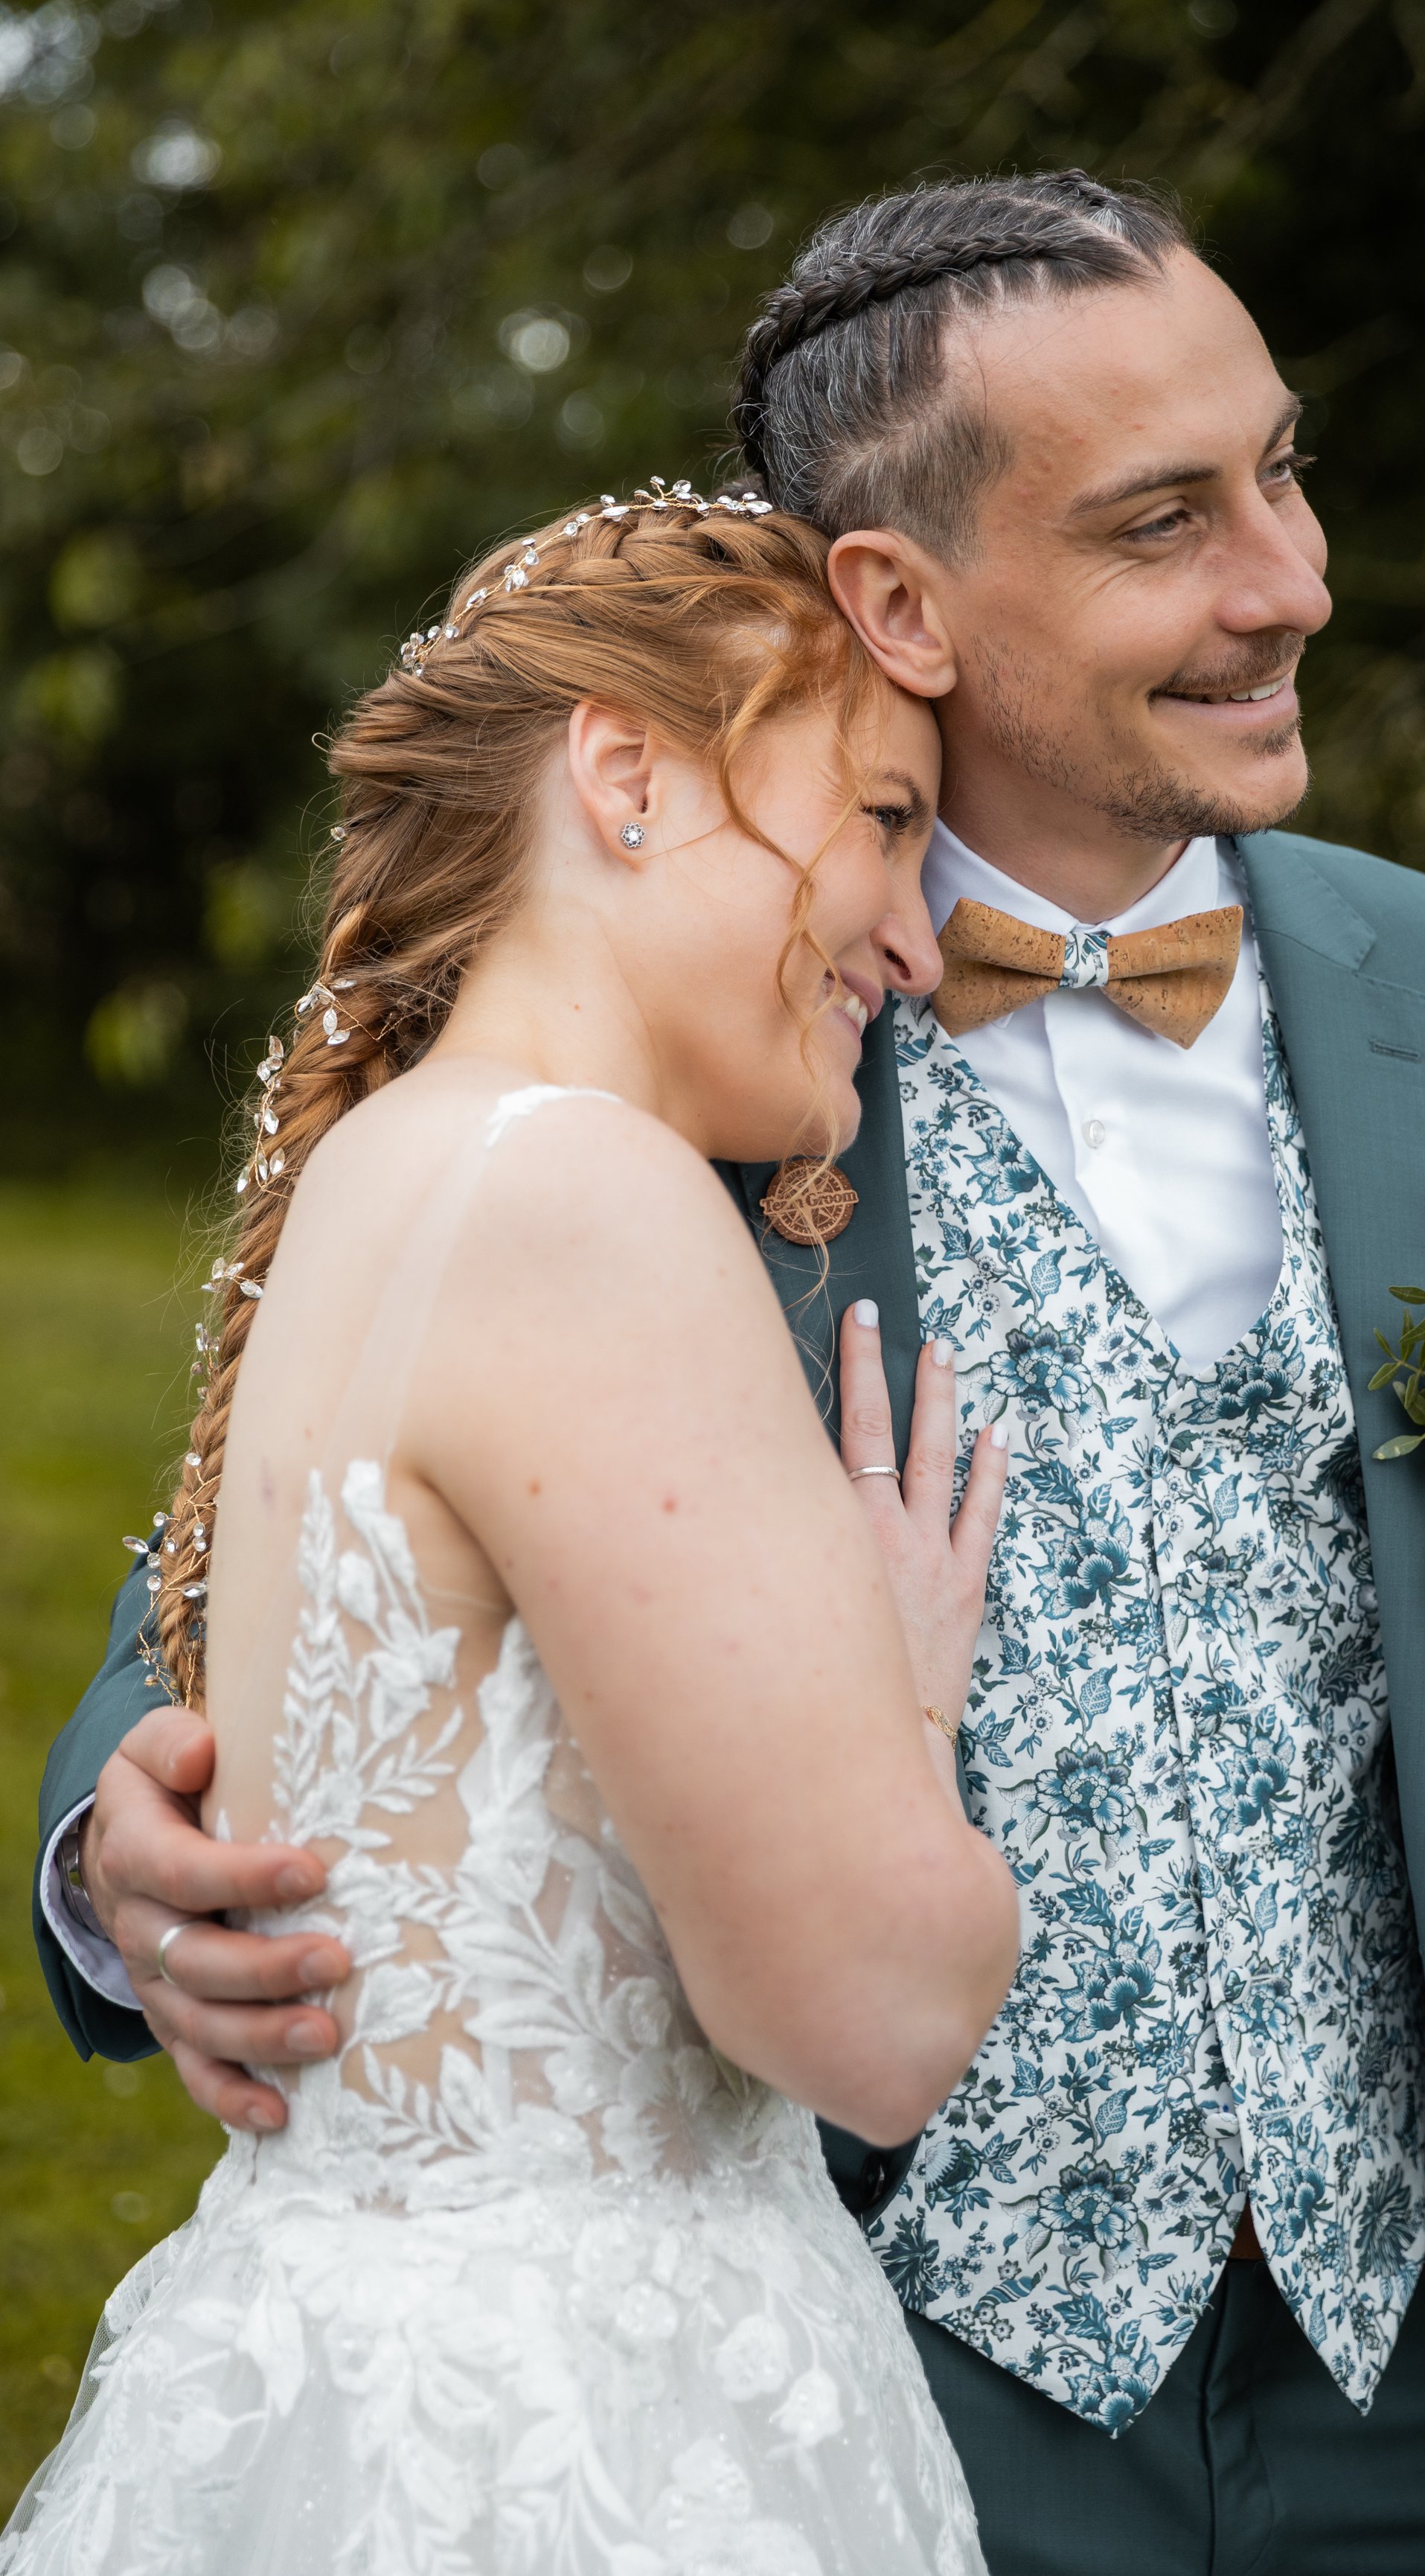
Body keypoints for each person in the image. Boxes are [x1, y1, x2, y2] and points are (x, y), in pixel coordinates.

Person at [35, 171, 1425, 2573]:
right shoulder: (681, 1030)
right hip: (886, 2339)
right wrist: (122, 1859)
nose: (1291, 578)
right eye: (1165, 521)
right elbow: (274, 1521)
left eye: (1284, 468)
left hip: (1386, 2351)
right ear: (898, 601)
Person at [8, 489, 1022, 2575]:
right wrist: (902, 1691)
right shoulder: (589, 1195)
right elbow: (870, 2023)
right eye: (887, 817)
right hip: (582, 2437)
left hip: (348, 2362)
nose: (917, 942)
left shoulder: (406, 1162)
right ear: (632, 776)